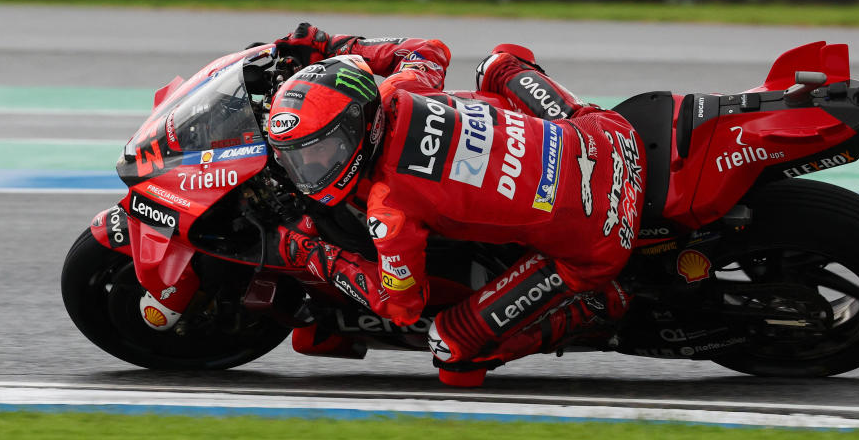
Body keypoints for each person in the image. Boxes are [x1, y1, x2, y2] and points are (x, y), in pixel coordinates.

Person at [270, 23, 645, 386]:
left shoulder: (390, 209)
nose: (309, 168)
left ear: (358, 127)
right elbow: (429, 50)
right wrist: (331, 44)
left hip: (599, 240)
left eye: (320, 151)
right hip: (610, 134)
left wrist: (312, 253)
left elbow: (401, 306)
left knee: (450, 349)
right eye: (296, 159)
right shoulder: (401, 90)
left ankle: (588, 310)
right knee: (498, 64)